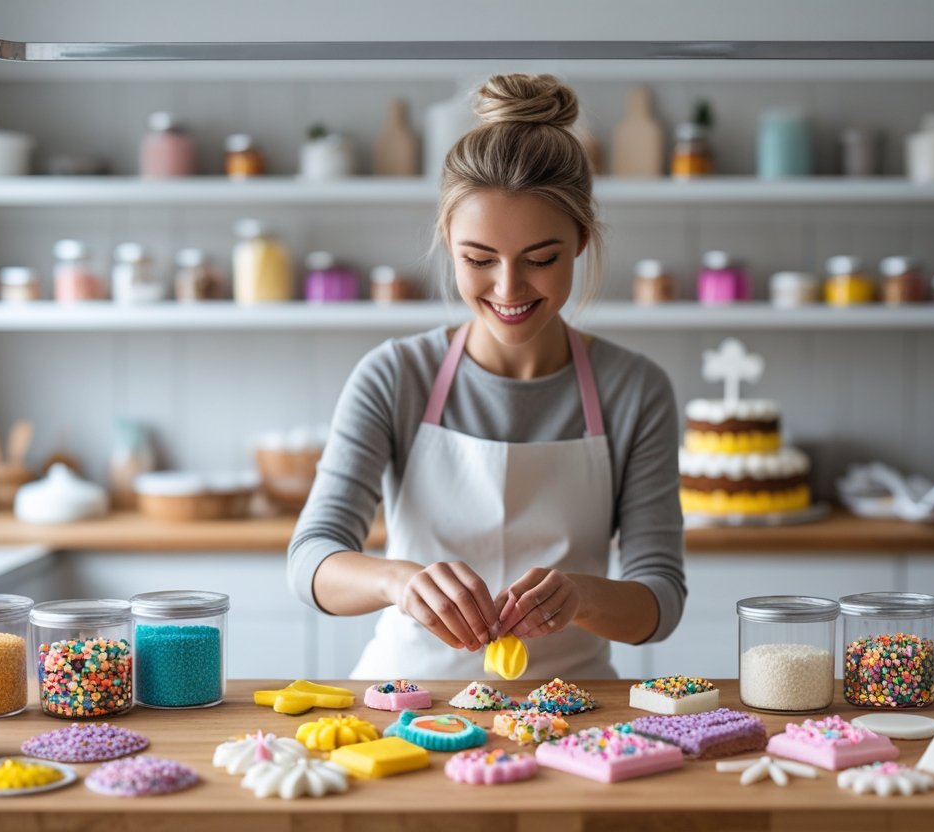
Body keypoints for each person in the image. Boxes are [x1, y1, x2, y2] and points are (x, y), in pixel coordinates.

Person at [287, 73, 685, 680]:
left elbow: (660, 599)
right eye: (479, 260)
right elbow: (310, 560)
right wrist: (400, 581)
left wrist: (582, 595)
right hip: (409, 701)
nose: (507, 289)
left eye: (541, 259)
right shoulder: (395, 375)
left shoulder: (634, 389)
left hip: (574, 710)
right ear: (448, 240)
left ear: (580, 241)